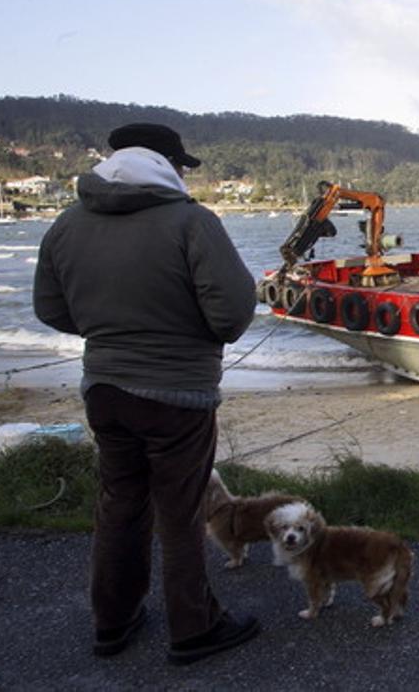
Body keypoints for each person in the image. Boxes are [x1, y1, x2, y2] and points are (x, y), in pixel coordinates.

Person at [33, 123, 259, 664]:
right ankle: (193, 628)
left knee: (119, 505)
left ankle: (113, 621)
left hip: (105, 389)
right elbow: (231, 316)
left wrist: (108, 330)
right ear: (165, 165)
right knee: (179, 514)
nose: (183, 173)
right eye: (180, 164)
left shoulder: (66, 225)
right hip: (177, 395)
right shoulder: (191, 222)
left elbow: (50, 308)